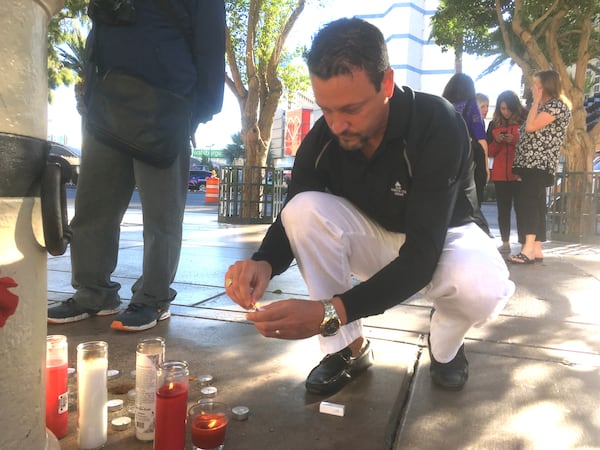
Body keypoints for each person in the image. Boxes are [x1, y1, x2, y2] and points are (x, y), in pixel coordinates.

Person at [224, 18, 514, 395]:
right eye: (326, 109)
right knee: (301, 208)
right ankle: (346, 349)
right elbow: (295, 210)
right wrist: (262, 261)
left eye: (351, 109)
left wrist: (330, 311)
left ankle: (446, 346)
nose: (337, 124)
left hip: (446, 239)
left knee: (482, 287)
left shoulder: (436, 123)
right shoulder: (324, 137)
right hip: (379, 238)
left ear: (387, 83)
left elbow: (422, 255)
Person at [48, 0, 226, 331]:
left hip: (165, 107)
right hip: (106, 102)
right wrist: (89, 93)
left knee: (161, 216)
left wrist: (195, 113)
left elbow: (212, 47)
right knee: (92, 208)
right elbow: (98, 28)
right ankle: (93, 293)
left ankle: (153, 298)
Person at [509, 70, 571, 264]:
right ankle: (535, 248)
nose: (532, 88)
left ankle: (527, 249)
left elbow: (531, 127)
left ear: (545, 86)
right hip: (530, 163)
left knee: (529, 203)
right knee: (536, 203)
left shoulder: (556, 105)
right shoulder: (546, 106)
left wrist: (535, 102)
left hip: (538, 163)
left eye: (536, 85)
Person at [487, 91, 527, 254]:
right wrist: (497, 141)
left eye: (508, 109)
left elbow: (530, 147)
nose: (505, 112)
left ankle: (525, 243)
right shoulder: (494, 125)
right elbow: (488, 151)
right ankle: (505, 242)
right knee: (503, 210)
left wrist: (515, 140)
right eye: (502, 108)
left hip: (519, 173)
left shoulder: (525, 122)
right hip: (500, 174)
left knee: (521, 209)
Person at [443, 74, 490, 206]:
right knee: (472, 201)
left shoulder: (443, 104)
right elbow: (480, 137)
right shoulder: (472, 106)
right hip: (469, 159)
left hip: (449, 157)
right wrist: (485, 167)